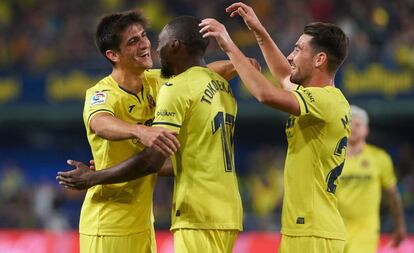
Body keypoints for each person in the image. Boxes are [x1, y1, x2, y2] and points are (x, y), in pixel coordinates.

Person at [58, 16, 249, 253]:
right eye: (132, 42)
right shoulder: (101, 92)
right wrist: (140, 130)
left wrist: (237, 62)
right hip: (108, 224)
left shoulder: (156, 82)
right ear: (113, 55)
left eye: (144, 36)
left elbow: (206, 72)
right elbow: (100, 123)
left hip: (144, 225)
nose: (145, 44)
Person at [199, 2, 350, 253]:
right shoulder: (319, 99)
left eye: (298, 49)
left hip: (313, 232)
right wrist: (259, 30)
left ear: (319, 59)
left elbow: (265, 93)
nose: (291, 56)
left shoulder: (326, 100)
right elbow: (282, 76)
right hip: (304, 229)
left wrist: (229, 46)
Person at [337, 105, 406, 253]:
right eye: (349, 124)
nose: (353, 128)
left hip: (365, 231)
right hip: (335, 229)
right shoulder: (332, 159)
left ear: (366, 130)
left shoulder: (379, 158)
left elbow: (393, 195)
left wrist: (400, 225)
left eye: (358, 124)